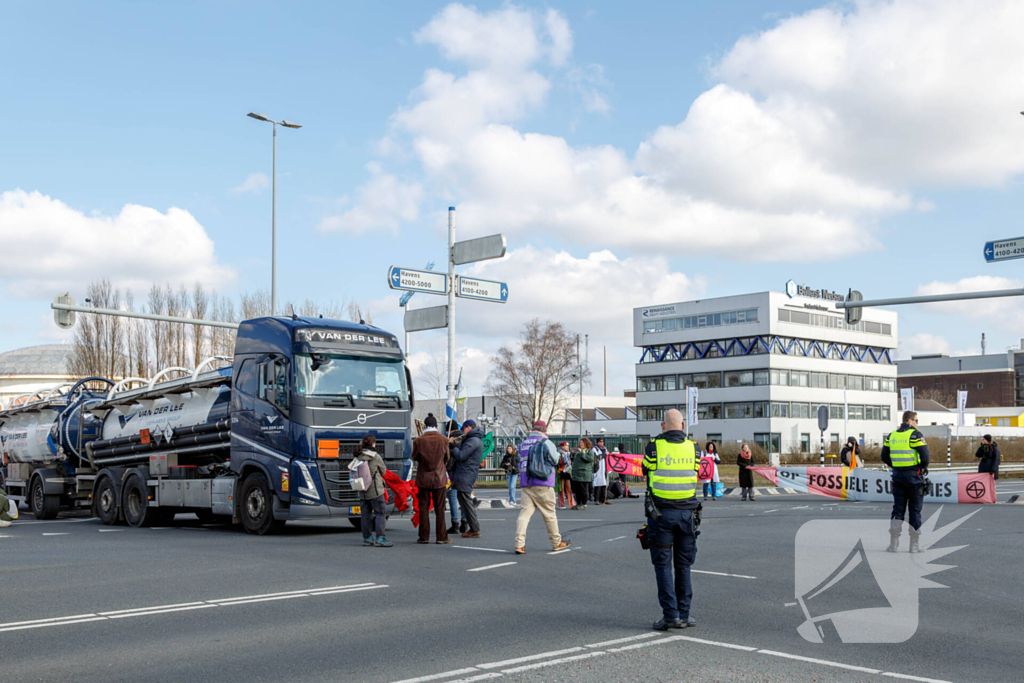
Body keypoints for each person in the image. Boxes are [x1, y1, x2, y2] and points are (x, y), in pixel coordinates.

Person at [643, 408, 700, 631]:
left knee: (663, 566)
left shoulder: (653, 447)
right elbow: (696, 472)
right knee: (684, 565)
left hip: (661, 515)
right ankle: (684, 614)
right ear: (683, 426)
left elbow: (645, 470)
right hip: (688, 515)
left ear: (663, 426)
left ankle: (670, 615)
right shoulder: (695, 449)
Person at [513, 420, 570, 555]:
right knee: (549, 514)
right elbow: (556, 460)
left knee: (524, 514)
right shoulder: (546, 442)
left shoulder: (523, 443)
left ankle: (519, 544)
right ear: (544, 430)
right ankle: (556, 543)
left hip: (526, 483)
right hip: (543, 482)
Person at [881, 410, 930, 553]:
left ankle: (893, 544)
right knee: (914, 511)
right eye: (916, 420)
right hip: (914, 477)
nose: (917, 423)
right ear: (909, 421)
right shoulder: (915, 435)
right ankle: (914, 546)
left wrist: (896, 466)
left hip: (897, 476)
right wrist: (922, 467)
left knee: (898, 509)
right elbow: (925, 456)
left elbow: (884, 456)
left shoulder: (892, 435)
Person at [412, 413, 451, 544]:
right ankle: (441, 537)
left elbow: (415, 457)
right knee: (440, 509)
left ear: (425, 425)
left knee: (424, 508)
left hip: (423, 478)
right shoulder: (443, 439)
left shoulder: (419, 440)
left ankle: (424, 537)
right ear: (435, 425)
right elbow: (447, 458)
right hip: (439, 478)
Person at [356, 434, 391, 547]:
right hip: (375, 490)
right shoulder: (375, 456)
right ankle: (380, 538)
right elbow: (384, 472)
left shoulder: (359, 456)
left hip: (362, 490)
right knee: (380, 513)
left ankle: (367, 538)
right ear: (373, 444)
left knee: (365, 515)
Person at [452, 419, 483, 538]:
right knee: (464, 502)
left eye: (463, 429)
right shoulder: (474, 440)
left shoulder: (473, 440)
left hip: (466, 475)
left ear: (469, 428)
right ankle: (473, 528)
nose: (462, 431)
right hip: (466, 474)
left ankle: (475, 529)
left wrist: (455, 447)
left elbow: (461, 455)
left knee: (466, 503)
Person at [445, 424, 463, 535]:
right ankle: (465, 522)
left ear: (450, 430)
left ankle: (455, 523)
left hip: (452, 470)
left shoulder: (450, 440)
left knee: (452, 496)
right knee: (464, 497)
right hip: (463, 471)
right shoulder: (465, 439)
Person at [570, 438, 595, 510]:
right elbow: (572, 460)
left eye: (582, 443)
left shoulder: (589, 451)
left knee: (583, 490)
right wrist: (572, 454)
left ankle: (584, 503)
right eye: (580, 442)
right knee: (577, 490)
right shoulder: (578, 451)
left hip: (584, 474)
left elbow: (590, 459)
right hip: (576, 473)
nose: (580, 444)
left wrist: (582, 453)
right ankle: (579, 503)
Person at [556, 442, 575, 509]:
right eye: (566, 446)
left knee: (569, 488)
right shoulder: (559, 454)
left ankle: (572, 503)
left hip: (568, 472)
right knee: (561, 489)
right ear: (562, 447)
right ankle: (562, 504)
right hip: (561, 472)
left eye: (568, 446)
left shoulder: (569, 454)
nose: (568, 447)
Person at [592, 437, 610, 505]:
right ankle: (597, 499)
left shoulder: (605, 448)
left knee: (604, 484)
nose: (601, 443)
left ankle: (604, 499)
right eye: (600, 441)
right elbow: (597, 457)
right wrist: (604, 454)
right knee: (597, 485)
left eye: (602, 441)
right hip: (598, 469)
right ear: (597, 442)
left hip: (604, 468)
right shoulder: (594, 449)